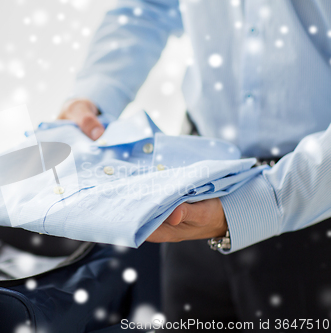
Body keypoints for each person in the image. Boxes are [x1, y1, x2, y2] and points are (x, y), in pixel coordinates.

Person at [58, 0, 331, 330]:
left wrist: (264, 202)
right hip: (199, 181)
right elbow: (150, 6)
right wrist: (93, 96)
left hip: (315, 206)